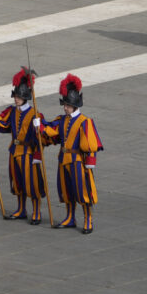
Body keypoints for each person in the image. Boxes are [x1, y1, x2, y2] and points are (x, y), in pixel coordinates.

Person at [41, 74, 102, 234]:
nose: (65, 108)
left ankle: (88, 218)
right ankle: (70, 217)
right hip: (63, 159)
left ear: (74, 105)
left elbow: (91, 143)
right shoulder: (62, 119)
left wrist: (90, 161)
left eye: (67, 105)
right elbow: (52, 131)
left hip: (77, 161)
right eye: (64, 105)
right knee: (66, 190)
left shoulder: (84, 121)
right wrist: (40, 125)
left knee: (82, 190)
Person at [0, 68, 46, 224]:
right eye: (15, 96)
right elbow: (2, 121)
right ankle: (21, 209)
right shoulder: (12, 111)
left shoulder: (35, 115)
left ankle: (36, 211)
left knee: (32, 184)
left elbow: (42, 138)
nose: (16, 99)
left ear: (26, 97)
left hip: (28, 152)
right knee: (18, 182)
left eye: (19, 97)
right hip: (14, 151)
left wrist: (38, 154)